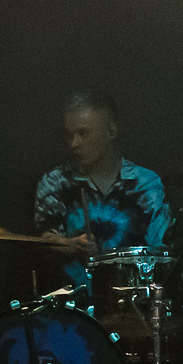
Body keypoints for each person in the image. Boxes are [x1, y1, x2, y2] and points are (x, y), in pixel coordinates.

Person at [35, 86, 172, 300]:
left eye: (83, 133)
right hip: (73, 310)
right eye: (69, 135)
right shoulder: (55, 182)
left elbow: (162, 251)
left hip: (134, 307)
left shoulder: (145, 184)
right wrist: (71, 245)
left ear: (111, 130)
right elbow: (43, 240)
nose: (74, 143)